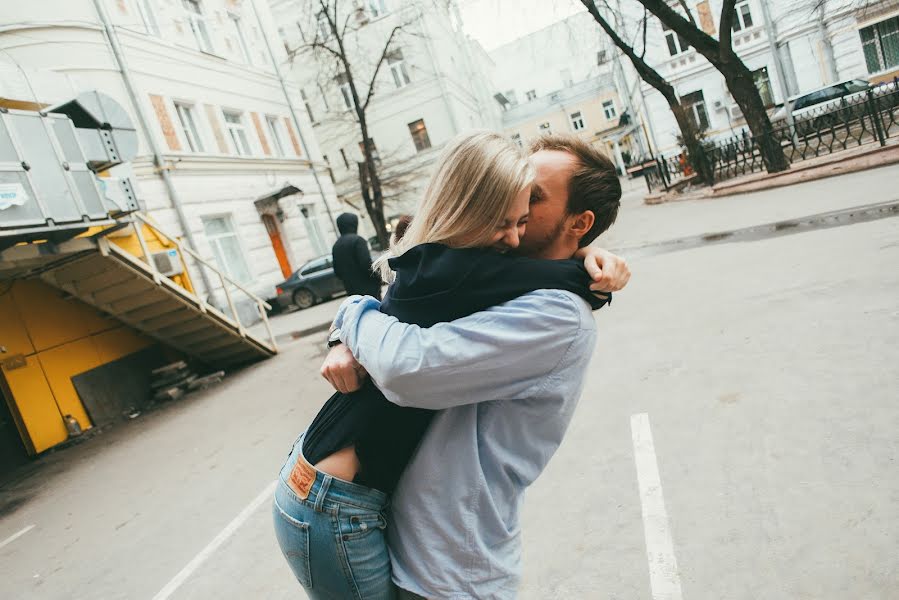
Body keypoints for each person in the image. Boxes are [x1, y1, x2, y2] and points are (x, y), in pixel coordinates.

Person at [273, 132, 627, 599]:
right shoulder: (472, 272)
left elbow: (403, 364)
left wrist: (354, 320)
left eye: (533, 197)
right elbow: (399, 348)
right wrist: (350, 323)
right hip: (358, 515)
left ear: (578, 222)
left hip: (441, 560)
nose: (515, 194)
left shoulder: (555, 314)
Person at [332, 212, 381, 300]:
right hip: (369, 290)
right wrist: (378, 277)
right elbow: (366, 264)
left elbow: (337, 271)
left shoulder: (336, 246)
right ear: (354, 224)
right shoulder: (358, 241)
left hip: (352, 292)